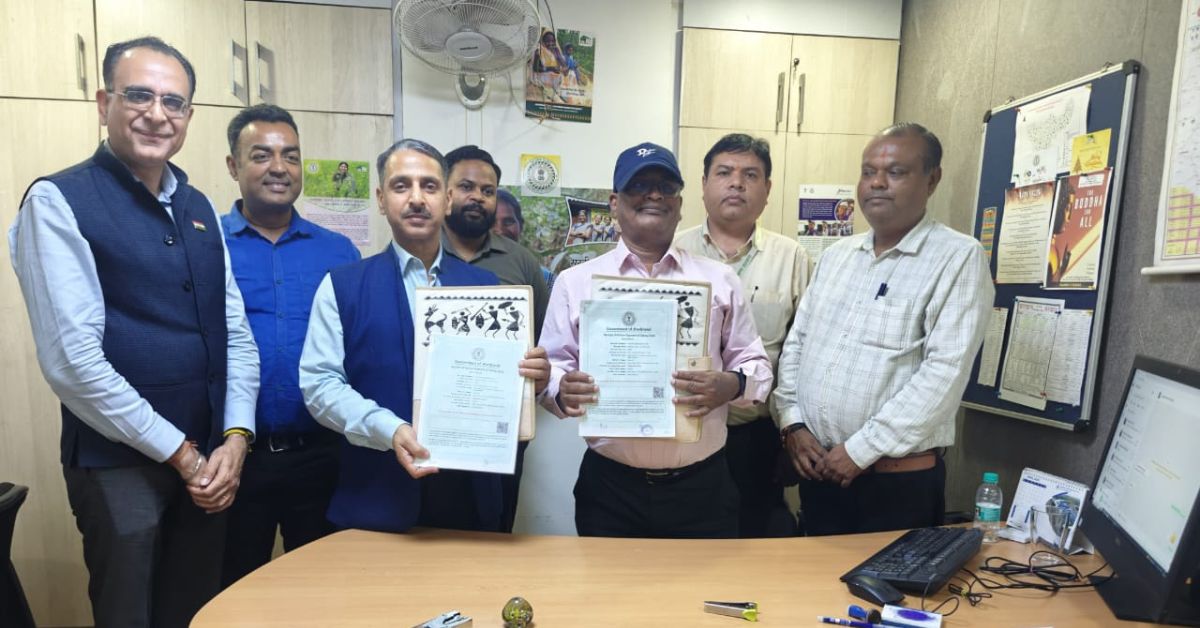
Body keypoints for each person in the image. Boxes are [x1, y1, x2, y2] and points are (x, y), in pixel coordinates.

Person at [8, 37, 259, 627]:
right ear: (104, 104)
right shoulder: (58, 200)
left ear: (189, 116)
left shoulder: (199, 205)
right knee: (130, 615)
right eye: (139, 95)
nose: (157, 114)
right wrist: (182, 454)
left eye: (173, 102)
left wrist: (236, 439)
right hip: (120, 468)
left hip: (209, 461)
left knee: (196, 611)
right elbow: (73, 363)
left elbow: (236, 334)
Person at [299, 139, 550, 533]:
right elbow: (319, 385)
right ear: (381, 200)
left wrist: (532, 378)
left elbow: (504, 387)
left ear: (447, 200)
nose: (416, 198)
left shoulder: (487, 288)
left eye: (429, 186)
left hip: (471, 502)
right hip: (376, 500)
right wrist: (389, 429)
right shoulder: (342, 286)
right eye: (401, 186)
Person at [540, 142, 772, 539]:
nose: (654, 195)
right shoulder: (575, 282)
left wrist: (732, 384)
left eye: (666, 187)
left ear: (679, 204)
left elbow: (757, 366)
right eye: (638, 185)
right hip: (610, 489)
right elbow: (552, 368)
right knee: (609, 582)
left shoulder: (718, 280)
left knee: (707, 583)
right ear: (615, 203)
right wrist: (563, 389)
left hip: (703, 489)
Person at [773, 123, 994, 536]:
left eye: (895, 172)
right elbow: (797, 345)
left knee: (889, 581)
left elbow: (944, 374)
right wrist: (793, 424)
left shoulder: (958, 258)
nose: (876, 183)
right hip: (820, 474)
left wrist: (860, 450)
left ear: (932, 180)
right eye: (868, 171)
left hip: (896, 486)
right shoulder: (837, 256)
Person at [218, 104, 360, 587]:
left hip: (321, 457)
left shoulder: (338, 251)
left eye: (291, 156)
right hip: (235, 459)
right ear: (234, 166)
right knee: (235, 592)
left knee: (325, 593)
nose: (279, 167)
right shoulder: (208, 245)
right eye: (261, 155)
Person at [674, 133, 810, 537]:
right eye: (724, 173)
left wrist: (791, 432)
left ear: (767, 190)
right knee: (687, 544)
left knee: (755, 542)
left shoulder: (792, 258)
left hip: (757, 436)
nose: (736, 183)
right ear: (703, 185)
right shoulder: (673, 252)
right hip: (685, 431)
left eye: (750, 175)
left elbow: (803, 354)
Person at [440, 145, 550, 533]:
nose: (477, 197)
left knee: (496, 532)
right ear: (445, 191)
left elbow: (547, 339)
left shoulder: (522, 262)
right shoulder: (421, 252)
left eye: (487, 190)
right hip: (433, 428)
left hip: (502, 429)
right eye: (466, 187)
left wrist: (543, 369)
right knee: (430, 538)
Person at [493, 188, 556, 293]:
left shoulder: (544, 279)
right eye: (491, 222)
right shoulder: (466, 274)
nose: (500, 230)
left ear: (521, 225)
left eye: (508, 222)